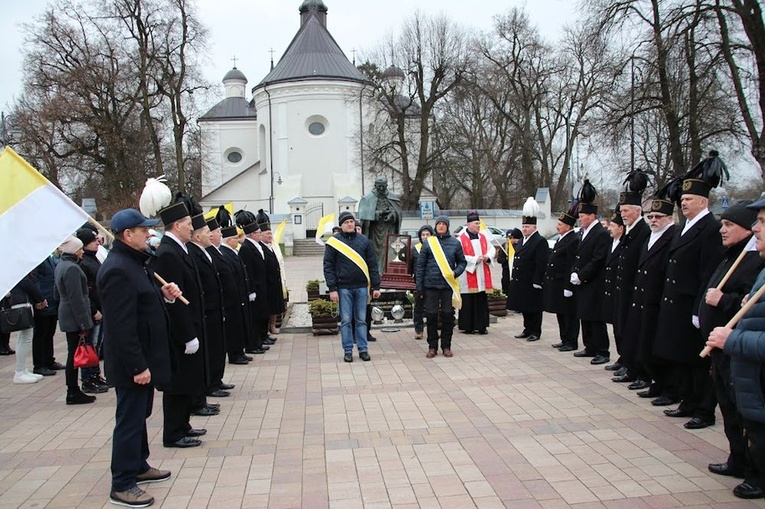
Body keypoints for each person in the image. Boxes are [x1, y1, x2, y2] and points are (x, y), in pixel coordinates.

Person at [99, 208, 180, 508]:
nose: (149, 233)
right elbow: (120, 327)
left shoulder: (136, 263)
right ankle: (122, 483)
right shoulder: (118, 269)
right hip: (133, 364)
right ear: (127, 235)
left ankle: (139, 465)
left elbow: (144, 305)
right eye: (142, 230)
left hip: (144, 360)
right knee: (129, 421)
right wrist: (138, 366)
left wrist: (165, 295)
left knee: (140, 416)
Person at [700, 202, 764, 498]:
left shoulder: (753, 261)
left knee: (748, 418)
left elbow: (744, 306)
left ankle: (756, 472)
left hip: (742, 352)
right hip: (728, 353)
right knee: (731, 409)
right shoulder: (733, 257)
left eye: (730, 225)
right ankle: (739, 460)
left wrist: (725, 303)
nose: (756, 228)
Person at [654, 176, 724, 414]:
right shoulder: (685, 226)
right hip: (675, 303)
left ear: (703, 202)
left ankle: (704, 409)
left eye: (689, 199)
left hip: (691, 303)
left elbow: (708, 273)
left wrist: (698, 310)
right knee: (680, 356)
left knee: (697, 361)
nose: (683, 204)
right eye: (682, 199)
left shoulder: (710, 229)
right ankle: (687, 400)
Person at [151, 201, 209, 448]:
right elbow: (173, 301)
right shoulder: (167, 253)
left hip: (192, 323)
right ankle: (173, 432)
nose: (191, 228)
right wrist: (186, 333)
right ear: (176, 226)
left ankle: (183, 424)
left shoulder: (180, 248)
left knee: (188, 378)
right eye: (187, 224)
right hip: (179, 331)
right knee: (178, 381)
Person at [323, 211, 381, 362]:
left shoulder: (364, 241)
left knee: (361, 320)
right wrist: (332, 289)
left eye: (351, 222)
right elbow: (328, 266)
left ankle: (363, 349)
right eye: (346, 222)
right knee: (346, 321)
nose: (349, 224)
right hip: (343, 288)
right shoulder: (334, 242)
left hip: (362, 287)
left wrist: (376, 286)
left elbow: (373, 265)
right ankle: (348, 350)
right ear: (341, 225)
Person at [609, 177, 651, 373]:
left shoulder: (643, 231)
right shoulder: (630, 230)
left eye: (626, 211)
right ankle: (625, 360)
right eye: (622, 211)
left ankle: (633, 366)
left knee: (631, 329)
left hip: (633, 289)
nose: (623, 215)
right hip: (622, 288)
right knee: (621, 326)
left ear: (638, 211)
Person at [187, 216, 229, 399]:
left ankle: (216, 380)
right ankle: (210, 384)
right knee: (210, 349)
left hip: (215, 309)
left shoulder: (205, 251)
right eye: (207, 233)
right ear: (197, 237)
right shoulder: (194, 254)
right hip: (207, 310)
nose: (210, 236)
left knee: (217, 347)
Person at [569, 180, 611, 365]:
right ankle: (589, 346)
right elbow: (579, 256)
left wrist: (582, 275)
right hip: (582, 281)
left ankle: (602, 350)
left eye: (583, 215)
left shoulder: (600, 233)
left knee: (595, 316)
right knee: (584, 314)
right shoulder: (584, 232)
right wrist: (574, 272)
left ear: (592, 216)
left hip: (594, 281)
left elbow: (598, 259)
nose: (580, 218)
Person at [415, 215, 466, 358]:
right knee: (431, 317)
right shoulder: (428, 243)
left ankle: (446, 346)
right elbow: (420, 266)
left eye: (444, 224)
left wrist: (455, 273)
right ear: (435, 226)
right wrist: (419, 287)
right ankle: (432, 347)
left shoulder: (455, 243)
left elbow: (462, 262)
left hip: (447, 287)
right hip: (430, 286)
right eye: (439, 224)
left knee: (448, 316)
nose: (441, 226)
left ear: (448, 226)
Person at [54, 235, 96, 405]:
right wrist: (84, 323)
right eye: (79, 249)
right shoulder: (71, 268)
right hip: (73, 316)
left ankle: (73, 389)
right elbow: (76, 298)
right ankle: (72, 391)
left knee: (73, 352)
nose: (82, 252)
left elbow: (57, 293)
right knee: (74, 354)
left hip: (67, 313)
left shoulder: (62, 265)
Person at [209, 222, 251, 365]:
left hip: (237, 295)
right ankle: (235, 353)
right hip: (229, 299)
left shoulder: (229, 252)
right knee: (233, 328)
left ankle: (239, 351)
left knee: (238, 326)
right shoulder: (224, 253)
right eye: (235, 238)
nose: (238, 240)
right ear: (229, 240)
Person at [508, 198, 549, 341]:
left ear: (534, 228)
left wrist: (538, 280)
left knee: (534, 308)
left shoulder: (540, 241)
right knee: (525, 306)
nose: (524, 229)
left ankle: (535, 331)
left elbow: (541, 263)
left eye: (527, 227)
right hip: (521, 281)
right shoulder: (522, 241)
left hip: (532, 280)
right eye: (523, 226)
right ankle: (527, 329)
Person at [75, 227, 109, 394]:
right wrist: (94, 310)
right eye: (93, 241)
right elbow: (86, 291)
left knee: (96, 344)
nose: (97, 243)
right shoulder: (84, 264)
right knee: (90, 345)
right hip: (93, 311)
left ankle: (95, 374)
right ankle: (88, 378)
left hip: (101, 308)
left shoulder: (94, 259)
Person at [545, 210, 580, 352]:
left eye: (560, 224)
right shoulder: (562, 238)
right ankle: (564, 338)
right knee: (560, 312)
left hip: (564, 282)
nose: (557, 227)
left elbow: (571, 265)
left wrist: (569, 286)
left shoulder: (573, 240)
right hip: (557, 283)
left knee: (569, 314)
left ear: (569, 226)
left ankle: (571, 341)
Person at [457, 211, 495, 334]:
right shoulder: (460, 239)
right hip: (469, 273)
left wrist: (487, 256)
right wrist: (474, 260)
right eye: (476, 223)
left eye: (479, 223)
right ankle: (468, 326)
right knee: (468, 301)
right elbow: (459, 256)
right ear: (468, 224)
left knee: (481, 300)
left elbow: (492, 249)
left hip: (482, 272)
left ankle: (482, 326)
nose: (478, 226)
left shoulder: (483, 237)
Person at [5, 274, 45, 383]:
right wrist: (41, 298)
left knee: (22, 338)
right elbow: (27, 283)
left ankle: (22, 369)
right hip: (21, 303)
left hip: (22, 302)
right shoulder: (19, 271)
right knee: (25, 338)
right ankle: (20, 371)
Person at [238, 220, 270, 354]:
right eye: (258, 233)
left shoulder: (256, 246)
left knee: (261, 315)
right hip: (254, 288)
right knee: (254, 318)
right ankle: (252, 344)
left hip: (261, 286)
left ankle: (259, 341)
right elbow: (248, 271)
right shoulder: (246, 248)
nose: (260, 235)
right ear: (252, 234)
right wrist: (251, 290)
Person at [358, 176, 402, 271]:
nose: (381, 188)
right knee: (374, 251)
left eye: (383, 186)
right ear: (375, 185)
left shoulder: (393, 197)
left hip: (388, 229)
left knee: (388, 250)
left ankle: (387, 271)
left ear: (386, 185)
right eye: (379, 186)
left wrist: (392, 215)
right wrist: (379, 213)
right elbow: (364, 216)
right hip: (374, 231)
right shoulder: (368, 198)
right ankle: (375, 271)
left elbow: (398, 212)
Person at [31, 252, 64, 375]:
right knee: (41, 334)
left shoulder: (47, 257)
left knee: (49, 332)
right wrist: (39, 299)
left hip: (51, 300)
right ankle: (39, 365)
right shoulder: (36, 258)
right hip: (43, 301)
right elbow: (34, 280)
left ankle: (49, 360)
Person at [603, 211, 626, 378]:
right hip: (611, 291)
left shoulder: (623, 243)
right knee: (616, 328)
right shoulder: (612, 242)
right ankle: (621, 357)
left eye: (612, 226)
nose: (609, 229)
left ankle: (626, 359)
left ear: (621, 229)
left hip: (620, 291)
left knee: (622, 328)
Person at [411, 225, 434, 340]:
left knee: (431, 308)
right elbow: (410, 267)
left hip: (432, 282)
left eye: (427, 234)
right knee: (418, 307)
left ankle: (432, 329)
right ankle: (419, 330)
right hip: (419, 282)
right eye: (423, 235)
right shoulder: (415, 249)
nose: (425, 237)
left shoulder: (436, 248)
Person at [498, 228, 521, 301]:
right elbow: (499, 259)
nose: (510, 240)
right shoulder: (504, 246)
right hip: (506, 270)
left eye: (511, 238)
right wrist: (507, 259)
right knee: (506, 286)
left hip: (515, 271)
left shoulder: (518, 246)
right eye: (508, 238)